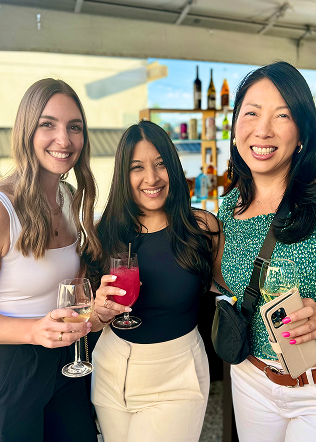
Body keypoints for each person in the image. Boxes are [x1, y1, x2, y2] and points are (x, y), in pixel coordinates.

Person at [85, 120, 221, 442]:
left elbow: (232, 288)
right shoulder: (105, 233)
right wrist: (98, 314)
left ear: (173, 168)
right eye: (137, 167)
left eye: (161, 164)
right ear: (123, 175)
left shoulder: (201, 228)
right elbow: (88, 320)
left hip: (175, 376)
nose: (152, 178)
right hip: (111, 368)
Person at [216, 61, 316, 442]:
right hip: (252, 379)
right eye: (251, 113)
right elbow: (224, 281)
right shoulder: (227, 210)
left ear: (301, 132)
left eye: (282, 115)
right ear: (234, 128)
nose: (262, 130)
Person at [0, 78, 101, 442]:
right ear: (27, 130)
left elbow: (71, 280)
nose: (64, 139)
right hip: (13, 367)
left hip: (70, 361)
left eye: (74, 127)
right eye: (48, 125)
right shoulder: (3, 208)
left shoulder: (70, 197)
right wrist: (32, 330)